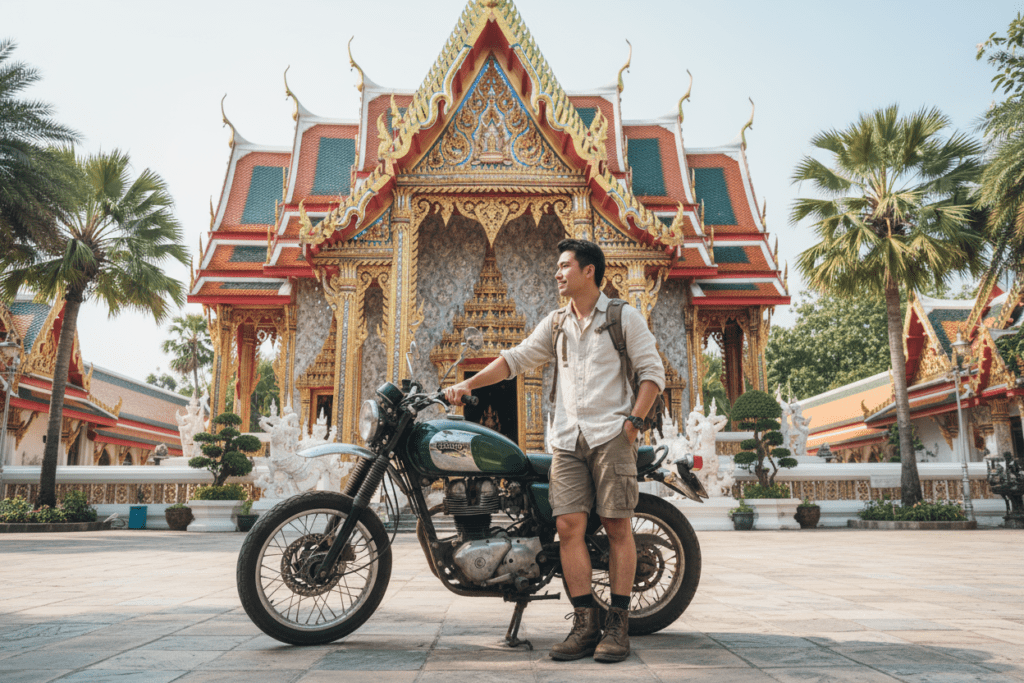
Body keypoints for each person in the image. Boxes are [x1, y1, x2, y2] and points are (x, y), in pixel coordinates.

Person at [445, 238, 665, 663]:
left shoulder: (623, 317)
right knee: (568, 528)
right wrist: (468, 385)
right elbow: (516, 359)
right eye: (557, 267)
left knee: (618, 527)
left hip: (611, 436)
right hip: (567, 439)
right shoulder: (557, 323)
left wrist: (633, 424)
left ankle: (617, 624)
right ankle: (585, 623)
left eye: (565, 266)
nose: (557, 273)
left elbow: (652, 373)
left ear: (589, 271)